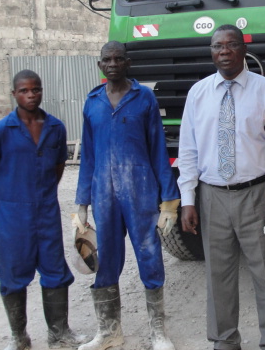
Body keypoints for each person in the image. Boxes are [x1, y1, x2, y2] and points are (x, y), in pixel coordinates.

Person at [178, 24, 265, 350]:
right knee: (219, 277)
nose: (223, 51)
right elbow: (188, 151)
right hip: (212, 196)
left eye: (230, 45)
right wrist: (188, 200)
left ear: (244, 49)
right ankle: (225, 342)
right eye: (217, 46)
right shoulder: (198, 94)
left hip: (257, 195)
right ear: (211, 52)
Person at [75, 41, 180, 350]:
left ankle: (158, 333)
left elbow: (158, 150)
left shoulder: (143, 98)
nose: (113, 63)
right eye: (107, 59)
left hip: (140, 191)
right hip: (103, 196)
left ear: (128, 62)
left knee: (149, 257)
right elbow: (88, 157)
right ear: (100, 65)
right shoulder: (92, 102)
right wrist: (81, 203)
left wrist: (169, 202)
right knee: (105, 258)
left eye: (118, 58)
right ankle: (109, 332)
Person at [0, 69, 86, 350]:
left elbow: (59, 165)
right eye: (24, 91)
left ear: (41, 91)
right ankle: (19, 337)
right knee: (12, 275)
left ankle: (59, 332)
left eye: (35, 89)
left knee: (55, 272)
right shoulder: (1, 131)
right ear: (14, 94)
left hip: (45, 213)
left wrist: (45, 193)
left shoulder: (55, 128)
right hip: (12, 216)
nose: (31, 95)